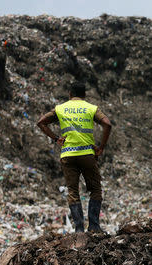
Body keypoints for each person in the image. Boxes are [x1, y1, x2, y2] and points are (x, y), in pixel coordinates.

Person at [37, 82, 112, 233]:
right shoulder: (91, 108)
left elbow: (41, 122)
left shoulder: (60, 108)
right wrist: (101, 147)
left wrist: (56, 138)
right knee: (96, 189)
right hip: (87, 154)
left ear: (70, 94)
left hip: (68, 155)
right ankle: (94, 226)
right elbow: (107, 124)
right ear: (84, 95)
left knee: (73, 191)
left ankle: (79, 229)